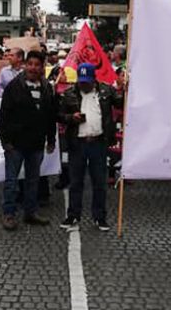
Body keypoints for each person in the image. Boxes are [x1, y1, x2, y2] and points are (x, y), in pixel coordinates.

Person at [0, 50, 57, 230]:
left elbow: (50, 116)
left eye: (37, 65)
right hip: (15, 144)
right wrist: (5, 141)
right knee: (12, 182)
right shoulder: (13, 87)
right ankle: (9, 214)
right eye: (30, 64)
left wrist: (51, 138)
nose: (32, 67)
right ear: (25, 65)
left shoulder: (47, 88)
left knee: (33, 181)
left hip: (36, 143)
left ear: (42, 67)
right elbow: (3, 117)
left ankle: (30, 212)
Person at [58, 63, 122, 231]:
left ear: (94, 79)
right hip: (77, 143)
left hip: (98, 143)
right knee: (75, 182)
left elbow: (121, 103)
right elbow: (59, 115)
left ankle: (99, 217)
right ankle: (73, 215)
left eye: (87, 81)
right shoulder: (69, 93)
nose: (84, 85)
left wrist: (124, 88)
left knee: (99, 182)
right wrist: (72, 117)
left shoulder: (106, 91)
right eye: (81, 81)